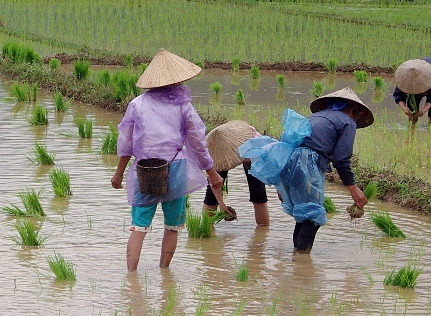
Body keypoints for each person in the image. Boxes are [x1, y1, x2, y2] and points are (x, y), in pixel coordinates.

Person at [109, 48, 227, 271]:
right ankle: (165, 273)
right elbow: (197, 142)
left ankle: (131, 278)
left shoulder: (138, 104)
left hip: (146, 171)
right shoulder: (184, 106)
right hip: (176, 169)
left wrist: (118, 173)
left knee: (138, 227)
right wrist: (211, 172)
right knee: (172, 227)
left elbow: (126, 143)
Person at [240, 87, 373, 253]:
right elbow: (341, 159)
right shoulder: (348, 121)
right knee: (312, 218)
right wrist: (354, 189)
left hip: (288, 158)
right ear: (353, 110)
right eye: (356, 114)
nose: (355, 118)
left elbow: (292, 144)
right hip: (306, 162)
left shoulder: (315, 117)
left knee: (304, 216)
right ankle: (301, 261)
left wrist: (282, 185)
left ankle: (297, 258)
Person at [201, 119, 270, 226]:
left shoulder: (255, 142)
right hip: (222, 150)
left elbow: (273, 170)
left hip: (251, 151)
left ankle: (263, 230)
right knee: (211, 197)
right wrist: (221, 204)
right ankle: (207, 227)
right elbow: (214, 182)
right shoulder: (212, 149)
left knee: (258, 195)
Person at [393, 57, 431, 126]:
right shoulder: (403, 80)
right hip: (418, 68)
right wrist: (404, 108)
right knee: (412, 103)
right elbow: (398, 96)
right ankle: (412, 127)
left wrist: (423, 110)